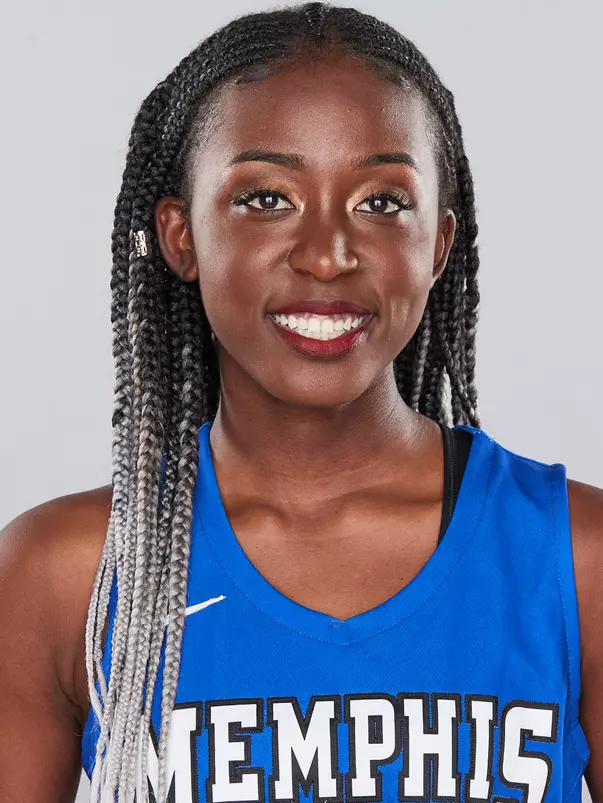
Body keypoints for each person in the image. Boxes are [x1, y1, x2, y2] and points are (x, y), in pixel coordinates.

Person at [0, 2, 600, 801]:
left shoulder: (573, 559)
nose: (326, 255)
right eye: (265, 198)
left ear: (440, 246)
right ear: (181, 237)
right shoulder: (70, 574)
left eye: (381, 202)